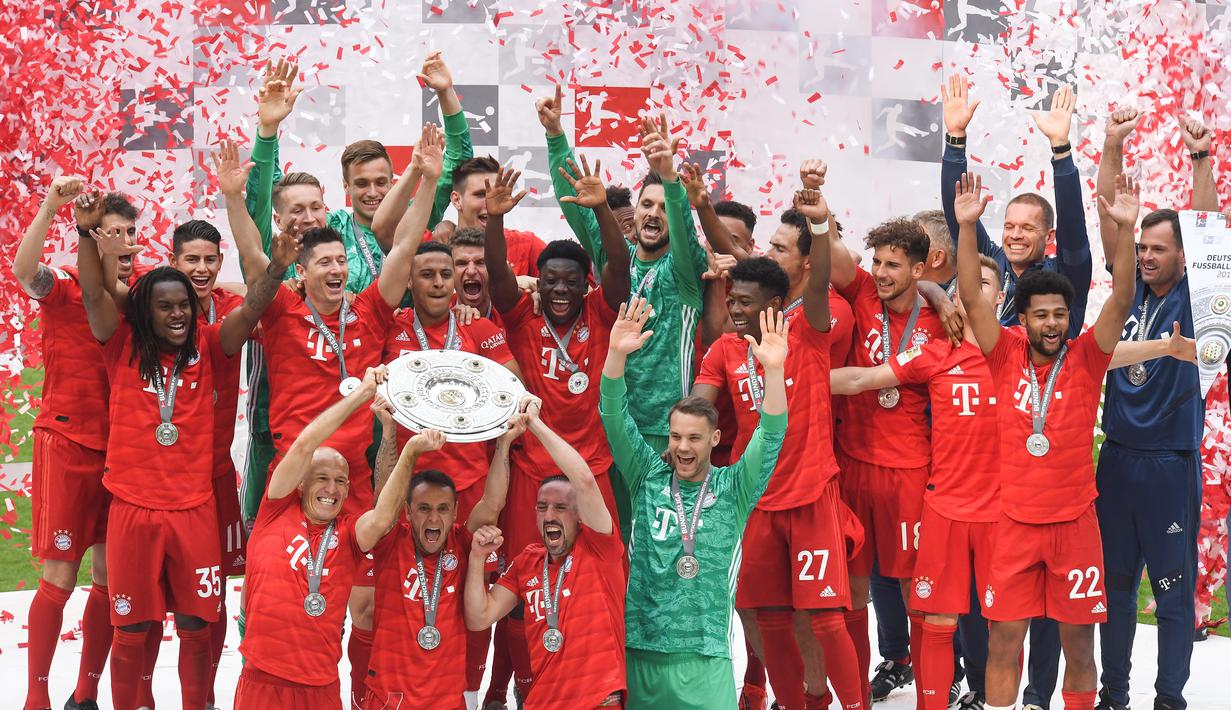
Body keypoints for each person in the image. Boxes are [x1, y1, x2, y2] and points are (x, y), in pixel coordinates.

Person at [219, 121, 439, 703]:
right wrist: (232, 200)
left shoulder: (366, 311)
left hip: (356, 478)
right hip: (293, 481)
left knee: (362, 602)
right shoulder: (282, 309)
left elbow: (404, 251)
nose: (338, 270)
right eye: (326, 264)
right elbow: (251, 256)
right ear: (305, 271)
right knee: (276, 596)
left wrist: (428, 182)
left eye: (343, 262)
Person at [75, 194, 293, 710]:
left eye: (185, 307)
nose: (179, 315)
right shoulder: (119, 346)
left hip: (195, 511)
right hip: (130, 510)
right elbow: (90, 294)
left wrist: (279, 265)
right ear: (143, 313)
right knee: (131, 627)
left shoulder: (213, 344)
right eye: (165, 307)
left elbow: (256, 305)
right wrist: (87, 235)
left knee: (198, 625)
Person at [953, 170, 1139, 710]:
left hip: (1075, 526)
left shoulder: (1086, 357)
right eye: (1042, 315)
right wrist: (967, 227)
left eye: (1060, 314)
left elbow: (1122, 297)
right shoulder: (1003, 352)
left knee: (1079, 647)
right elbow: (970, 293)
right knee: (1003, 645)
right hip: (1013, 526)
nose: (1052, 324)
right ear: (1026, 319)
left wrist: (1124, 230)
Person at [692, 183, 863, 710]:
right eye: (730, 300)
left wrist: (818, 224)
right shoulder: (724, 348)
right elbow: (701, 406)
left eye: (743, 302)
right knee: (768, 620)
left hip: (812, 496)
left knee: (827, 618)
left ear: (774, 302)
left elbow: (815, 286)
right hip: (757, 502)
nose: (734, 310)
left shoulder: (807, 330)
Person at [481, 159, 632, 702]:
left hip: (590, 476)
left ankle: (601, 688)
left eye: (572, 280)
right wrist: (493, 222)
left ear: (586, 284)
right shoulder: (521, 315)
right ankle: (530, 689)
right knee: (526, 591)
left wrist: (599, 214)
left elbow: (620, 264)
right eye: (552, 281)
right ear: (538, 283)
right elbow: (497, 274)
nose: (561, 289)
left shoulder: (602, 311)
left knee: (601, 589)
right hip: (529, 475)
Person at [602, 298, 788, 709]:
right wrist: (616, 357)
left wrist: (774, 371)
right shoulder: (647, 477)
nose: (682, 447)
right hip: (640, 651)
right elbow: (614, 418)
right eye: (675, 437)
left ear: (714, 440)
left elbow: (771, 435)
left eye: (694, 438)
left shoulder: (734, 488)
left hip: (706, 660)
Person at [1091, 114, 1218, 710]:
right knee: (1114, 589)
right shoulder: (1127, 292)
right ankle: (1113, 693)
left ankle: (1170, 697)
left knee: (1170, 591)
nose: (1143, 256)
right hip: (1116, 464)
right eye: (1140, 247)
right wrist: (1113, 144)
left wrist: (1199, 160)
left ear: (1183, 257)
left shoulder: (1197, 300)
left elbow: (1211, 233)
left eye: (1156, 249)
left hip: (1170, 466)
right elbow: (1106, 216)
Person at [235, 366, 445, 708]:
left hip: (320, 689)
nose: (331, 489)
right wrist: (361, 395)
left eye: (341, 481)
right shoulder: (275, 510)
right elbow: (304, 444)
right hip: (263, 684)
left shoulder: (349, 532)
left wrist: (411, 452)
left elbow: (382, 517)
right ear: (301, 483)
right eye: (322, 478)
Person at [13, 178, 137, 710]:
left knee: (109, 576)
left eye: (130, 233)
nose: (123, 241)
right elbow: (22, 272)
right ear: (93, 236)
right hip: (66, 441)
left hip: (126, 452)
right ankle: (35, 697)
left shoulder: (146, 296)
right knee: (60, 574)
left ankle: (86, 693)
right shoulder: (62, 285)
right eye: (112, 232)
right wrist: (50, 207)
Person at [543, 98, 710, 488]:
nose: (654, 214)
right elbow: (580, 209)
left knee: (656, 542)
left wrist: (670, 178)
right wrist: (555, 136)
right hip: (612, 424)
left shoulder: (684, 271)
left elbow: (685, 231)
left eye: (662, 208)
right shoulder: (616, 260)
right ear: (634, 212)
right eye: (645, 205)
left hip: (665, 432)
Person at [827, 204, 948, 701]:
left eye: (893, 264)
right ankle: (855, 695)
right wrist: (820, 216)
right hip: (854, 465)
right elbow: (834, 258)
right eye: (877, 262)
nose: (880, 272)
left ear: (919, 270)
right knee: (853, 587)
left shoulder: (943, 325)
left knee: (912, 589)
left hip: (909, 473)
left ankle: (928, 692)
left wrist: (940, 296)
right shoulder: (861, 293)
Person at [365, 395, 533, 709]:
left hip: (447, 700)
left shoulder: (461, 542)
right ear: (408, 512)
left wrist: (504, 445)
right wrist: (390, 433)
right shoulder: (391, 540)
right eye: (424, 508)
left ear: (455, 512)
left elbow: (493, 502)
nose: (433, 518)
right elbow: (383, 497)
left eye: (443, 509)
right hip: (390, 699)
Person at [463, 399, 627, 709]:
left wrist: (535, 425)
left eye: (561, 507)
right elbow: (478, 616)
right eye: (542, 507)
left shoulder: (599, 548)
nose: (549, 515)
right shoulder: (527, 562)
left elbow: (585, 481)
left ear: (580, 516)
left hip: (598, 701)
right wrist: (476, 558)